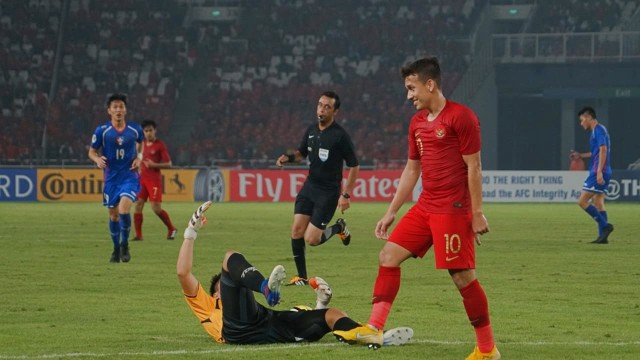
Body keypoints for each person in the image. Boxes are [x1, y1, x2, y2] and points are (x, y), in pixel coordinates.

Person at [332, 57, 500, 360]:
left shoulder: (462, 117)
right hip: (425, 207)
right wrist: (391, 211)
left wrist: (476, 213)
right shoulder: (417, 123)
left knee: (462, 276)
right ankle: (374, 326)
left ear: (430, 84)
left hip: (453, 208)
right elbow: (412, 170)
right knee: (388, 256)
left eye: (412, 88)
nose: (408, 95)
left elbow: (474, 167)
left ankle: (487, 349)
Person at [177, 201, 413, 347]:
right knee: (230, 257)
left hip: (267, 322)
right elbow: (182, 272)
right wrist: (190, 233)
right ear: (217, 295)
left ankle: (367, 335)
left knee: (332, 314)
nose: (227, 290)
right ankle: (265, 288)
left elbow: (301, 317)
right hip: (237, 331)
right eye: (223, 289)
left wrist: (321, 304)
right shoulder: (207, 305)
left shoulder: (257, 310)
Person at [276, 91, 360, 286]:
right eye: (320, 105)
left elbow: (354, 165)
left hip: (329, 193)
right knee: (296, 231)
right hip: (310, 187)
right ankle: (302, 277)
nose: (321, 109)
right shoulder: (311, 130)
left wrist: (345, 194)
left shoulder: (340, 136)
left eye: (327, 107)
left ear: (335, 111)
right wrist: (287, 158)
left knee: (312, 239)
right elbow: (301, 153)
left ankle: (339, 227)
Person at [88, 93, 144, 263]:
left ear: (125, 110)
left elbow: (141, 146)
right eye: (115, 107)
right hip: (111, 179)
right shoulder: (102, 131)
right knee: (113, 216)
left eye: (121, 106)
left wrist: (139, 157)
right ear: (109, 110)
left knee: (124, 210)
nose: (118, 109)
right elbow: (92, 151)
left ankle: (125, 244)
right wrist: (97, 159)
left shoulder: (135, 130)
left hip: (129, 176)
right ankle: (116, 249)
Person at [570, 106, 614, 244]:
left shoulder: (599, 130)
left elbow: (603, 150)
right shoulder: (597, 131)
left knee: (582, 201)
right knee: (598, 203)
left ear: (588, 117)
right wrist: (580, 155)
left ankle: (606, 227)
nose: (581, 123)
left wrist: (599, 171)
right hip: (602, 170)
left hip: (597, 171)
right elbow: (595, 152)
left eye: (582, 120)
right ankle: (603, 237)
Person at [133, 119, 177, 241]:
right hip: (142, 180)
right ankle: (138, 235)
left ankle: (171, 228)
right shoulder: (140, 144)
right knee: (138, 205)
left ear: (155, 130)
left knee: (156, 208)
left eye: (150, 130)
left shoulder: (160, 145)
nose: (148, 133)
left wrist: (154, 165)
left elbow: (169, 164)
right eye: (146, 131)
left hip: (154, 181)